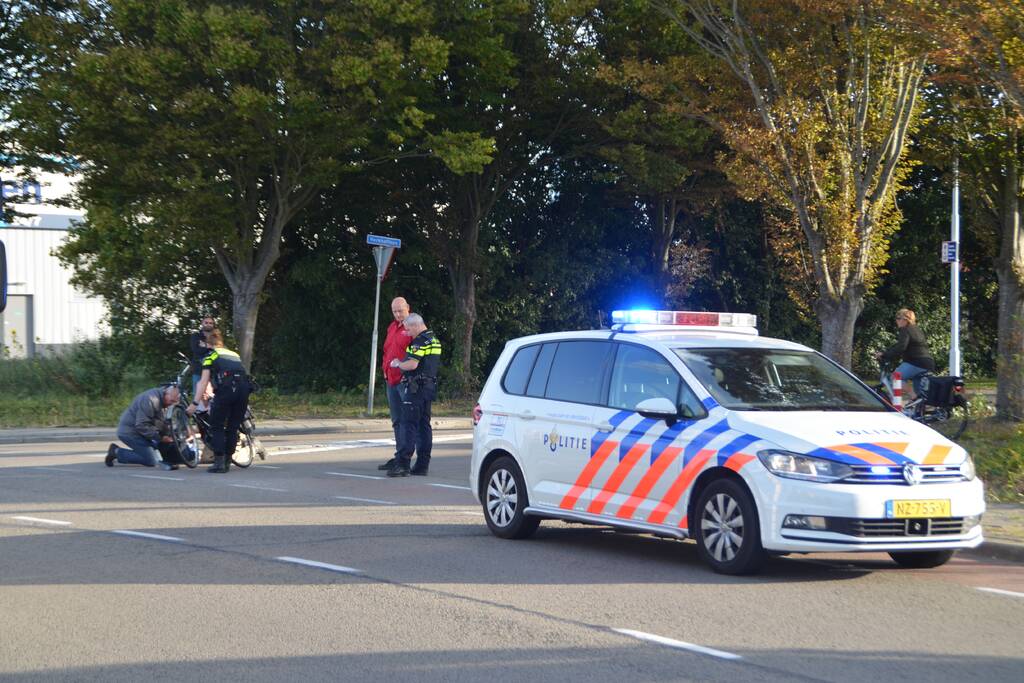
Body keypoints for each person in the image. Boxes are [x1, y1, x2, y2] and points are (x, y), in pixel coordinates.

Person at [187, 329, 251, 473]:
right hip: (243, 391)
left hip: (226, 392)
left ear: (208, 345)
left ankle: (219, 463)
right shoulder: (234, 355)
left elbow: (203, 383)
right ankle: (228, 461)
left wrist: (195, 404)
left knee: (216, 426)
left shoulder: (210, 356)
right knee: (233, 428)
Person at [387, 313, 442, 477]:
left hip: (415, 388)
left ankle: (403, 464)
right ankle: (422, 464)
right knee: (424, 425)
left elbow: (412, 364)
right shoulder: (434, 340)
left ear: (417, 325)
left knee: (408, 425)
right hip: (428, 387)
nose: (408, 332)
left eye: (409, 329)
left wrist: (398, 364)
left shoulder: (419, 342)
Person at [106, 385, 181, 470]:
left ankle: (145, 452)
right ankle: (116, 452)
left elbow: (161, 422)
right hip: (130, 432)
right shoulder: (150, 400)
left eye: (174, 402)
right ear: (165, 393)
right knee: (152, 460)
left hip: (143, 433)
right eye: (171, 401)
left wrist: (170, 434)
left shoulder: (163, 401)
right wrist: (160, 438)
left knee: (160, 453)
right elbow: (141, 425)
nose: (171, 404)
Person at [377, 296, 412, 471]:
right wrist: (384, 369)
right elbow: (387, 350)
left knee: (407, 420)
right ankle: (399, 455)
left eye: (400, 310)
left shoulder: (413, 326)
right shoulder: (392, 327)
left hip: (405, 380)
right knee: (397, 420)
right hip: (391, 380)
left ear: (408, 308)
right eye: (395, 311)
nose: (398, 314)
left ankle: (405, 459)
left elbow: (417, 354)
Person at [878, 307, 935, 400]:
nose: (896, 321)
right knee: (921, 397)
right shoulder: (917, 329)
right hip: (928, 363)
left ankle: (912, 396)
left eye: (898, 318)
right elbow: (898, 345)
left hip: (916, 362)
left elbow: (901, 347)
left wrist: (884, 355)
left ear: (905, 320)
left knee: (895, 378)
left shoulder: (905, 329)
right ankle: (919, 409)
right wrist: (886, 352)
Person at [189, 314, 216, 390]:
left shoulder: (216, 337)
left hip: (213, 370)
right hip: (199, 370)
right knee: (198, 395)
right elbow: (196, 350)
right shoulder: (196, 336)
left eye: (211, 323)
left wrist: (205, 345)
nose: (208, 324)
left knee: (213, 397)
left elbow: (219, 350)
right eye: (206, 322)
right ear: (202, 323)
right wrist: (211, 347)